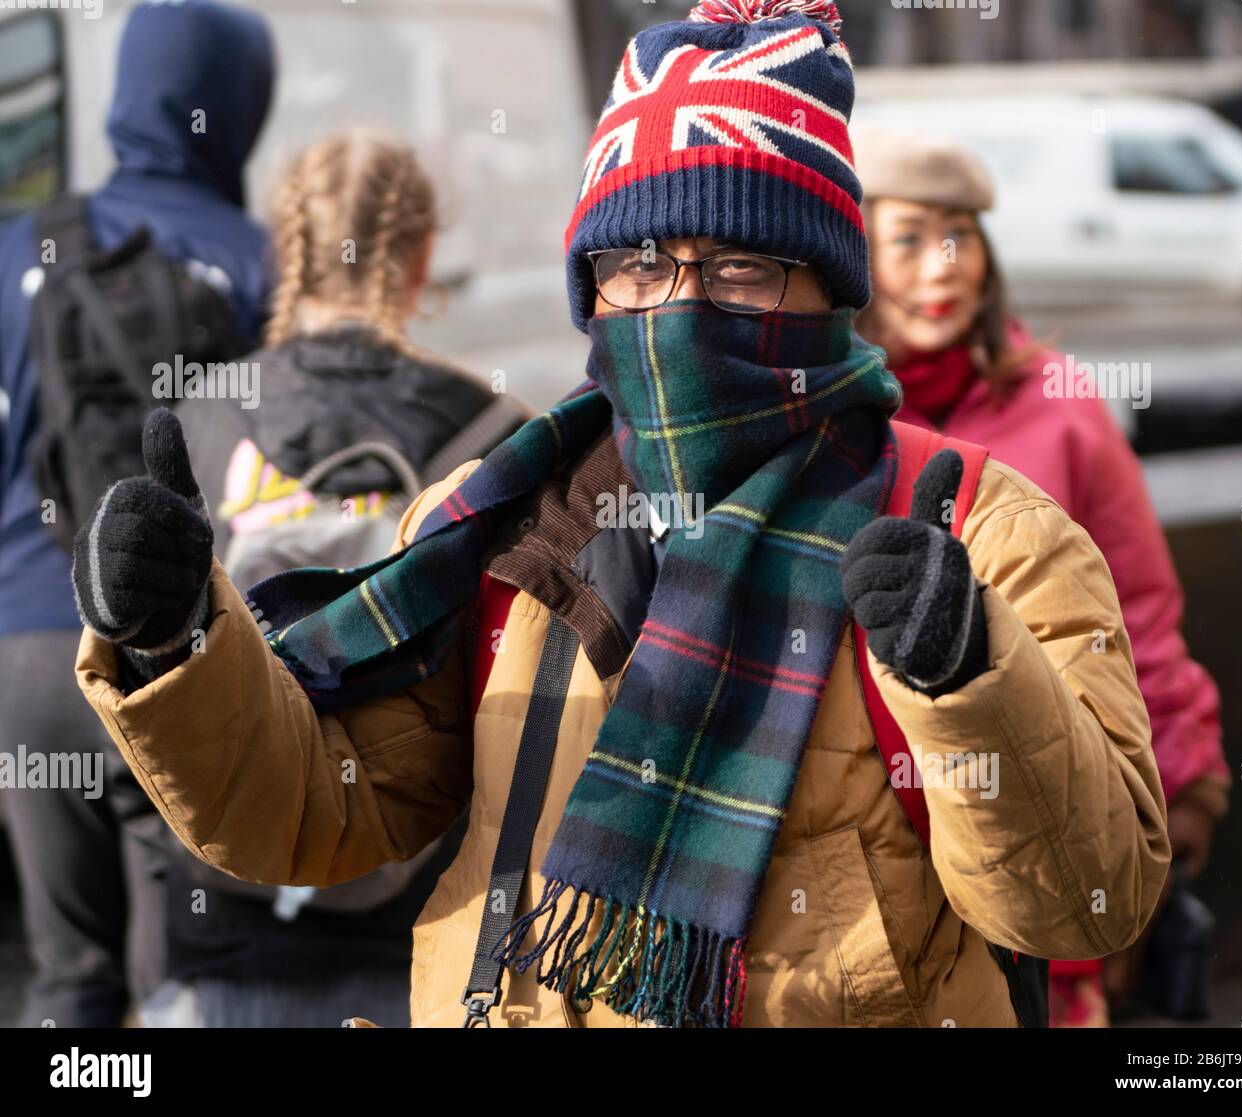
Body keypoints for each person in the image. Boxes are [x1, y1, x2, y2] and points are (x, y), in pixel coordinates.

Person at [70, 0, 1169, 1028]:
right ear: (592, 286)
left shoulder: (978, 528)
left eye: (739, 267)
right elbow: (315, 811)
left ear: (828, 289)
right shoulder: (503, 517)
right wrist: (179, 641)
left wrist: (967, 674)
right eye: (637, 263)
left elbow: (1087, 901)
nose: (677, 305)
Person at [852, 127, 1230, 1026]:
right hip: (881, 870)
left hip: (1046, 826)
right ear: (855, 254)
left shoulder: (1061, 404)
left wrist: (1178, 783)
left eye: (963, 235)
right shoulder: (837, 423)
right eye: (908, 238)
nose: (942, 267)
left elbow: (1137, 606)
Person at [144, 132, 522, 1028]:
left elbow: (143, 662)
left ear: (287, 250)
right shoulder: (498, 431)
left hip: (234, 899)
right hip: (423, 911)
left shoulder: (199, 413)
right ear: (422, 253)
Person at [0, 0, 273, 1027]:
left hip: (26, 653)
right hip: (172, 655)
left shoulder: (18, 250)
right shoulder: (256, 260)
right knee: (181, 984)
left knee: (68, 978)